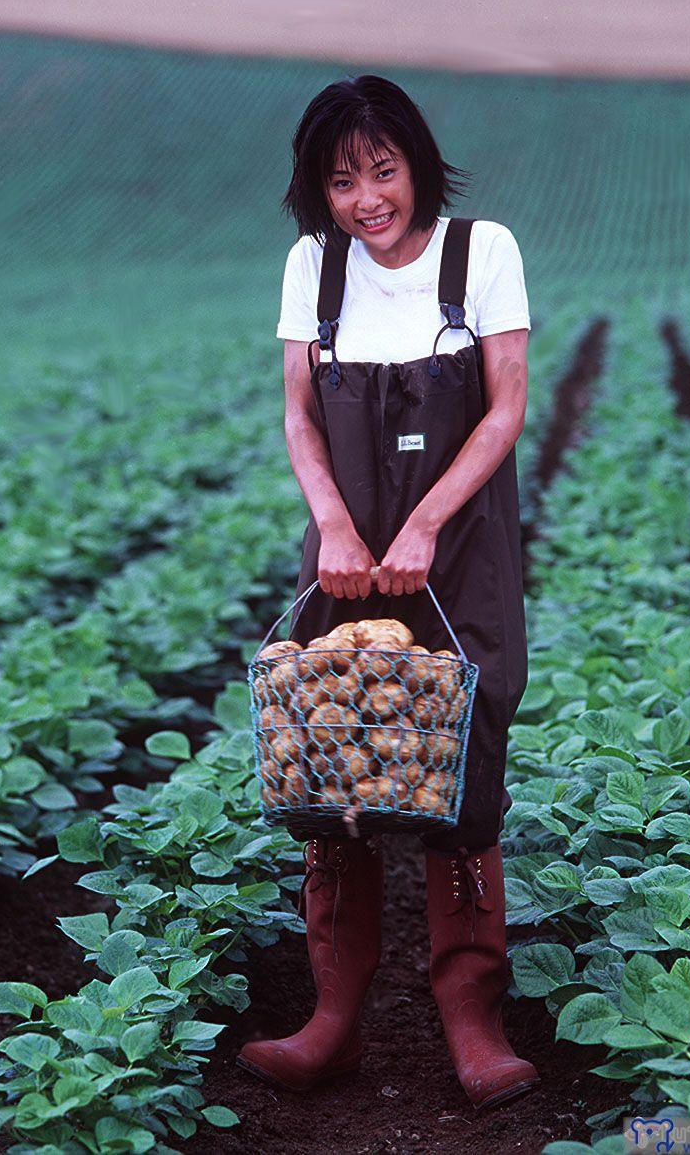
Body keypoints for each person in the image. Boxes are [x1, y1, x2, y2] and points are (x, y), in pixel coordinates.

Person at [237, 74, 539, 1112]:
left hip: (456, 552)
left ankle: (472, 1018)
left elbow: (503, 410)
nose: (366, 197)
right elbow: (298, 415)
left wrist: (423, 524)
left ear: (413, 162)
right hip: (343, 555)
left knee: (466, 757)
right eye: (340, 180)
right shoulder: (312, 270)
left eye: (381, 169)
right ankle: (332, 1020)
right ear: (315, 193)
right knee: (332, 756)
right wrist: (332, 520)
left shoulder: (479, 252)